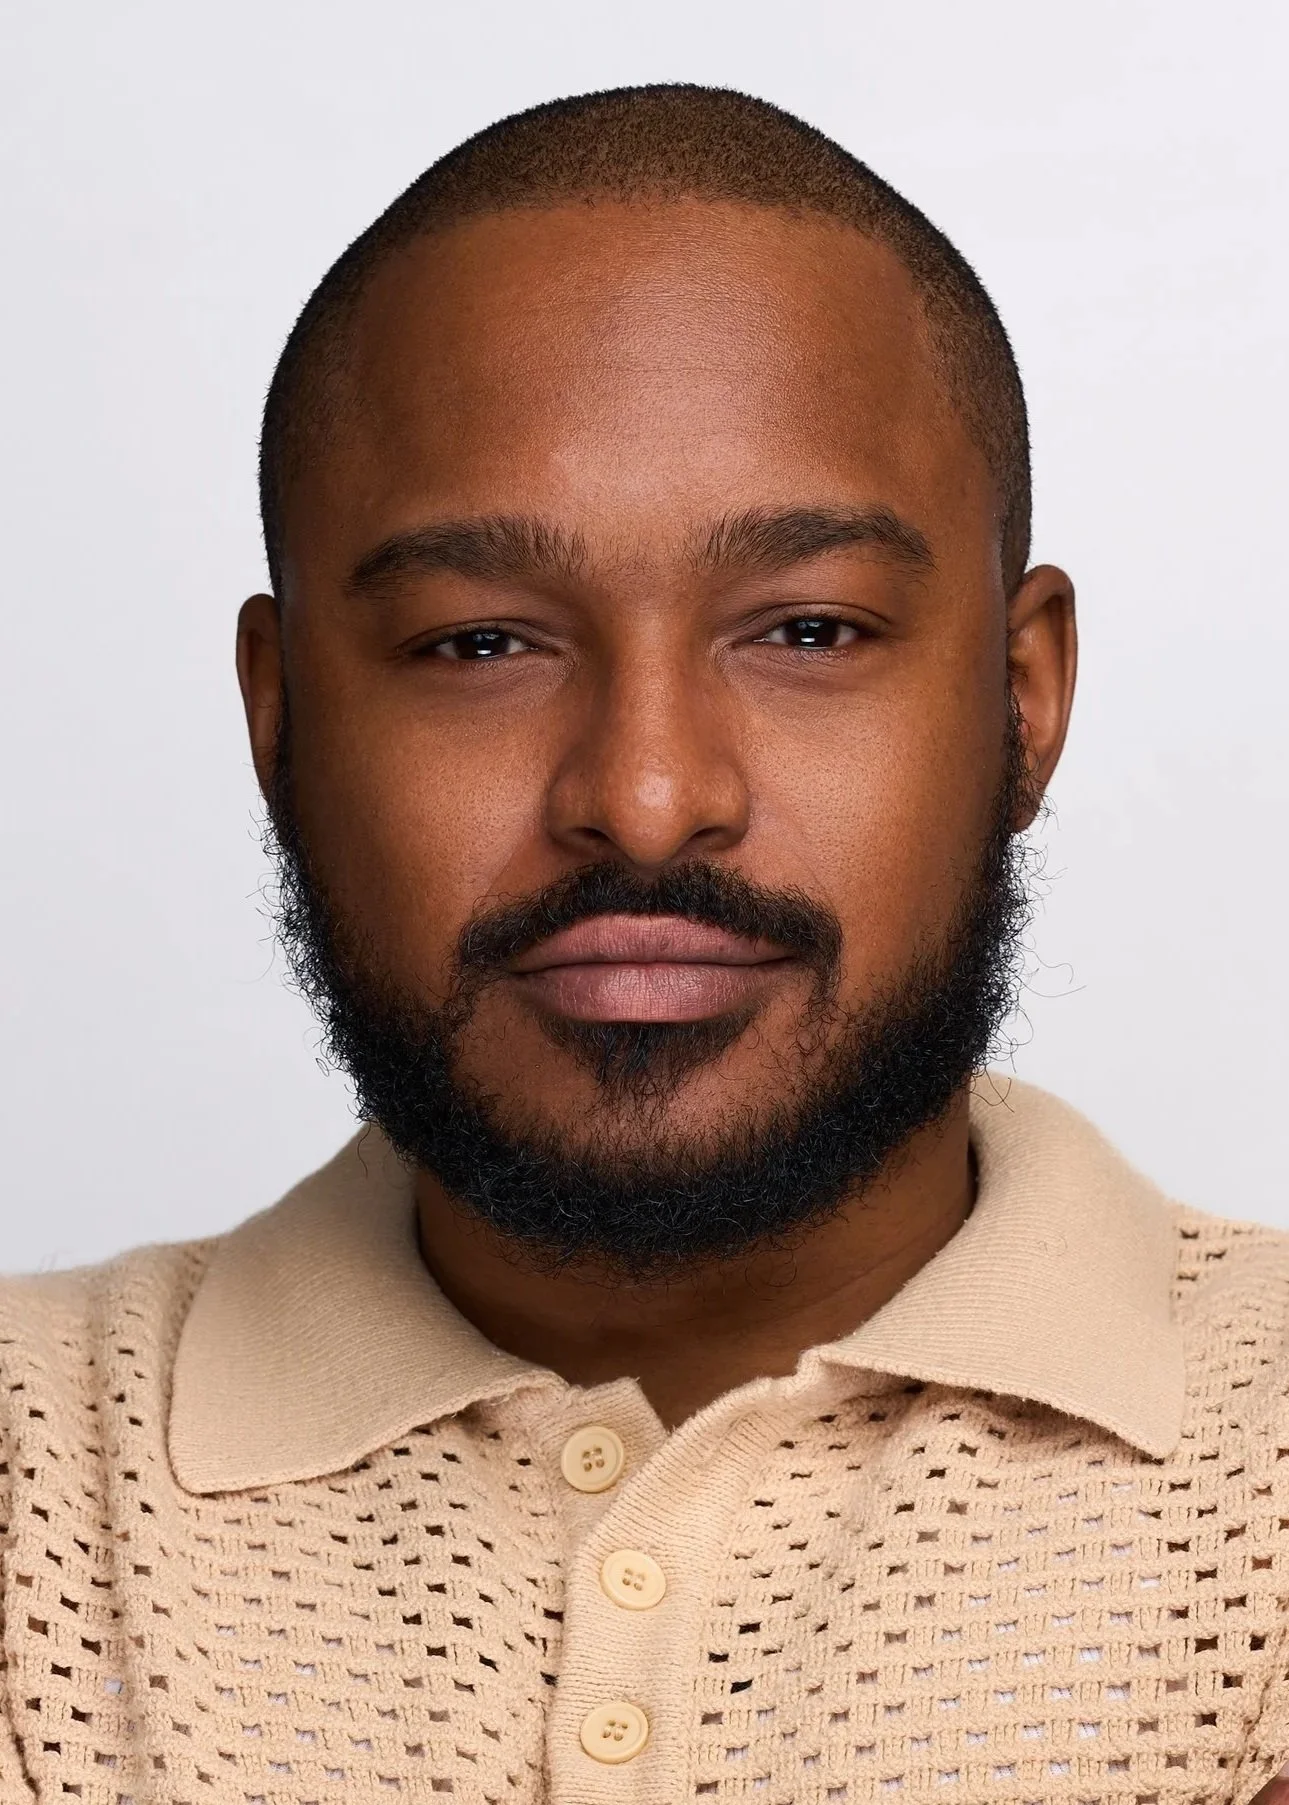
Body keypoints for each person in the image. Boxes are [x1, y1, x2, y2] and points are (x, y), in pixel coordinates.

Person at [1, 83, 1285, 1805]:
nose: (651, 793)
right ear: (283, 718)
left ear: (1024, 693)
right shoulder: (35, 1480)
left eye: (810, 628)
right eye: (478, 645)